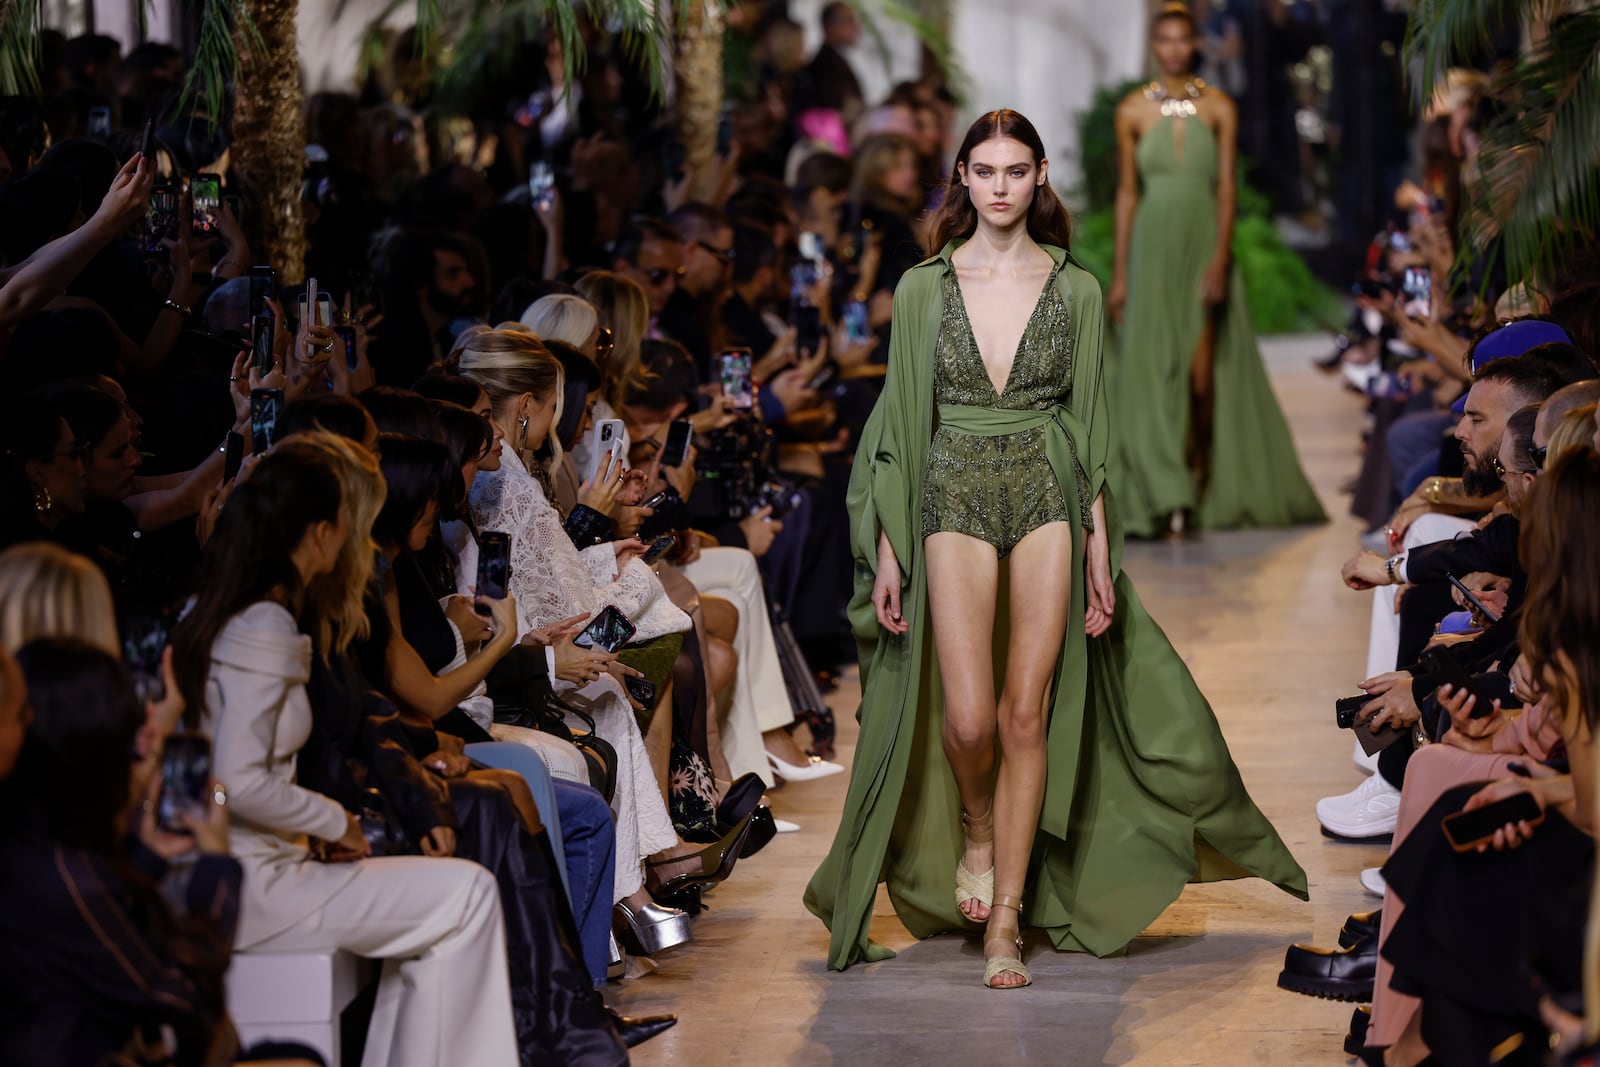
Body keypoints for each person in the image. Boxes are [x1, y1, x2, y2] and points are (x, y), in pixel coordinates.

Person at [803, 108, 1306, 988]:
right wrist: (887, 544)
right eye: (985, 170)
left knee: (1023, 712)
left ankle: (1007, 918)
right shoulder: (924, 286)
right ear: (962, 177)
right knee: (967, 718)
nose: (1000, 187)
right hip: (948, 483)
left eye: (1016, 170)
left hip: (1046, 483)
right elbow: (897, 421)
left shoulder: (1074, 287)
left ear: (1040, 178)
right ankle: (975, 826)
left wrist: (1098, 545)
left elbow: (1092, 424)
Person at [1108, 3, 1324, 538]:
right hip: (1151, 248)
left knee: (1203, 376)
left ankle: (1200, 481)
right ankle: (1167, 490)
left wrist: (1221, 257)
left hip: (1203, 242)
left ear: (1195, 44)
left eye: (1184, 39)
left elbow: (1227, 188)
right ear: (1155, 46)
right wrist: (1119, 273)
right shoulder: (1131, 111)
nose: (1175, 49)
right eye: (1166, 40)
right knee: (1154, 372)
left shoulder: (1219, 106)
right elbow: (1128, 193)